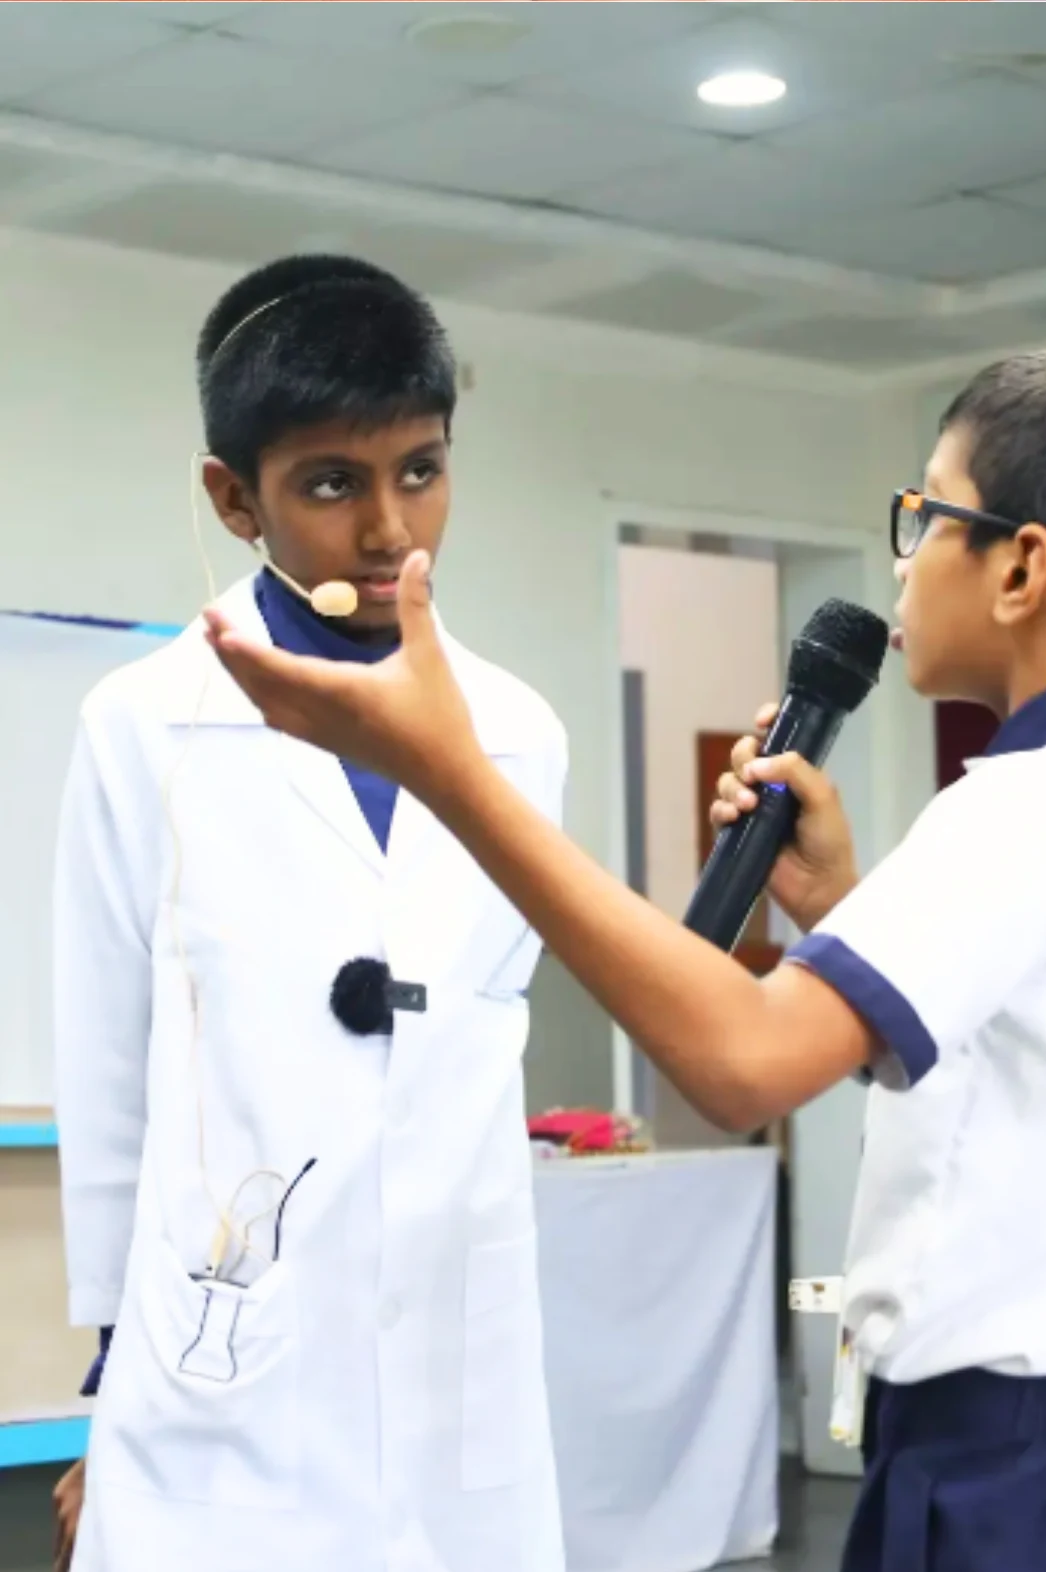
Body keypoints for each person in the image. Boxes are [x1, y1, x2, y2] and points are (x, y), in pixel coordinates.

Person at [207, 346, 1046, 1572]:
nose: (904, 558)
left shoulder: (1027, 810)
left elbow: (740, 1062)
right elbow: (1035, 1079)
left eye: (926, 514)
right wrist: (847, 911)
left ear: (1022, 567)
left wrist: (450, 776)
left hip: (1028, 1480)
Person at [52, 254, 568, 1572]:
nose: (392, 529)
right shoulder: (145, 725)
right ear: (236, 499)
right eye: (333, 484)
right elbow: (111, 1059)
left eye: (422, 469)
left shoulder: (518, 735)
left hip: (457, 1324)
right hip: (230, 1331)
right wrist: (114, 1371)